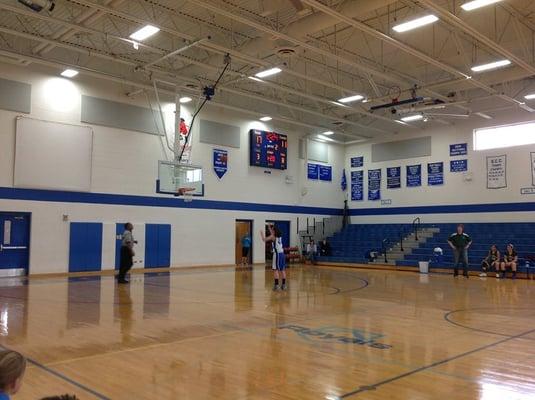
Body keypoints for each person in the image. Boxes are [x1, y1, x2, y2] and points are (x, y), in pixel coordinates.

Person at [261, 225, 287, 291]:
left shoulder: (272, 236)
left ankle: (277, 286)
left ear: (274, 231)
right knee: (283, 270)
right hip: (282, 254)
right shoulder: (279, 236)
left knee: (275, 270)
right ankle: (284, 285)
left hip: (277, 254)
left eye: (272, 230)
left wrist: (261, 233)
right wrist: (269, 228)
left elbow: (264, 239)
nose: (271, 231)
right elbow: (272, 234)